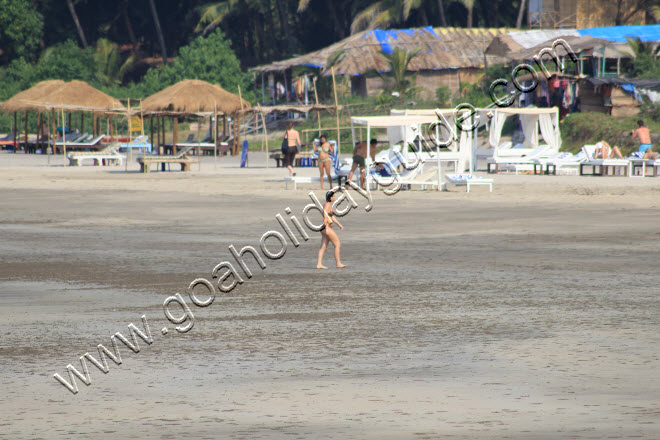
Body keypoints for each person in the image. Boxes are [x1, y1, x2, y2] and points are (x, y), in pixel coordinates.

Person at [317, 190, 346, 270]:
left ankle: (319, 264)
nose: (335, 197)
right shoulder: (327, 205)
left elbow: (331, 216)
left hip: (323, 228)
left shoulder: (328, 204)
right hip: (327, 227)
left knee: (323, 246)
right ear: (331, 197)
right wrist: (326, 227)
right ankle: (338, 263)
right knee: (337, 244)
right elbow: (325, 216)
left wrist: (339, 224)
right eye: (334, 196)